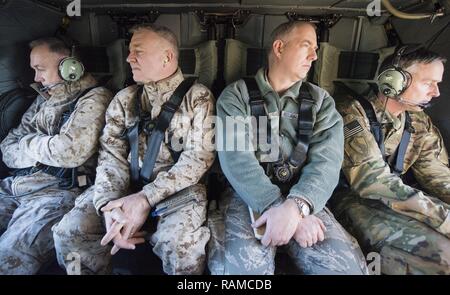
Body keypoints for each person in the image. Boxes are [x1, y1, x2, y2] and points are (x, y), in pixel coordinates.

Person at [53, 24, 215, 275]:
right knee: (69, 232)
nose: (129, 58)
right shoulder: (125, 99)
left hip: (179, 191)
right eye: (129, 51)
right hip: (125, 185)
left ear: (167, 57)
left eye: (138, 51)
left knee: (181, 245)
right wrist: (108, 206)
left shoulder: (198, 98)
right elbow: (111, 156)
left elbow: (197, 161)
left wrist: (145, 199)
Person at [209, 21, 368, 275]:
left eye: (316, 49)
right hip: (247, 196)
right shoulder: (236, 96)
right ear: (279, 48)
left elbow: (327, 162)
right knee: (241, 274)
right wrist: (276, 206)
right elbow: (236, 159)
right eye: (307, 46)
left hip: (306, 196)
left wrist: (296, 208)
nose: (315, 56)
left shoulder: (321, 102)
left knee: (347, 270)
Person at [331, 45, 450, 274]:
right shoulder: (350, 113)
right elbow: (372, 181)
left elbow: (439, 177)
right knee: (443, 256)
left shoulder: (418, 122)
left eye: (438, 84)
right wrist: (442, 218)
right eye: (428, 83)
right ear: (394, 81)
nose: (436, 92)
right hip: (351, 202)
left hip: (396, 199)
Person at [0, 37, 112, 274]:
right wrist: (44, 149)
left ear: (69, 67)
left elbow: (68, 153)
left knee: (8, 257)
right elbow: (8, 149)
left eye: (40, 69)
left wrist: (28, 144)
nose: (36, 78)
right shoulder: (44, 99)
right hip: (17, 186)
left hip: (56, 194)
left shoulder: (94, 97)